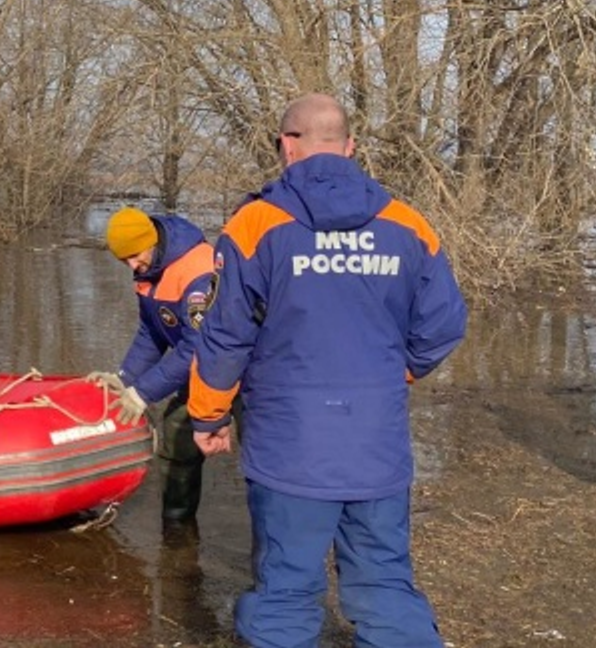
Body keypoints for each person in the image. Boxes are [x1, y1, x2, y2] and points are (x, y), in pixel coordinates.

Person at [188, 93, 468, 647]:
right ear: (350, 146)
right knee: (386, 586)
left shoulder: (254, 225)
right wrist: (395, 373)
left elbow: (226, 334)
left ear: (286, 145)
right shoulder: (406, 222)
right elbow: (444, 324)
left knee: (287, 590)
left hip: (290, 442)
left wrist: (206, 414)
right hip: (375, 440)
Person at [104, 206, 218, 524]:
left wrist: (143, 393)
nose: (131, 265)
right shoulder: (148, 270)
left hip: (245, 371)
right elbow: (152, 333)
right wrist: (125, 378)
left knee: (261, 454)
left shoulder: (199, 270)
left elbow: (198, 346)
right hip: (200, 369)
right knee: (177, 437)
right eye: (123, 259)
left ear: (151, 241)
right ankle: (177, 531)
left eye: (135, 255)